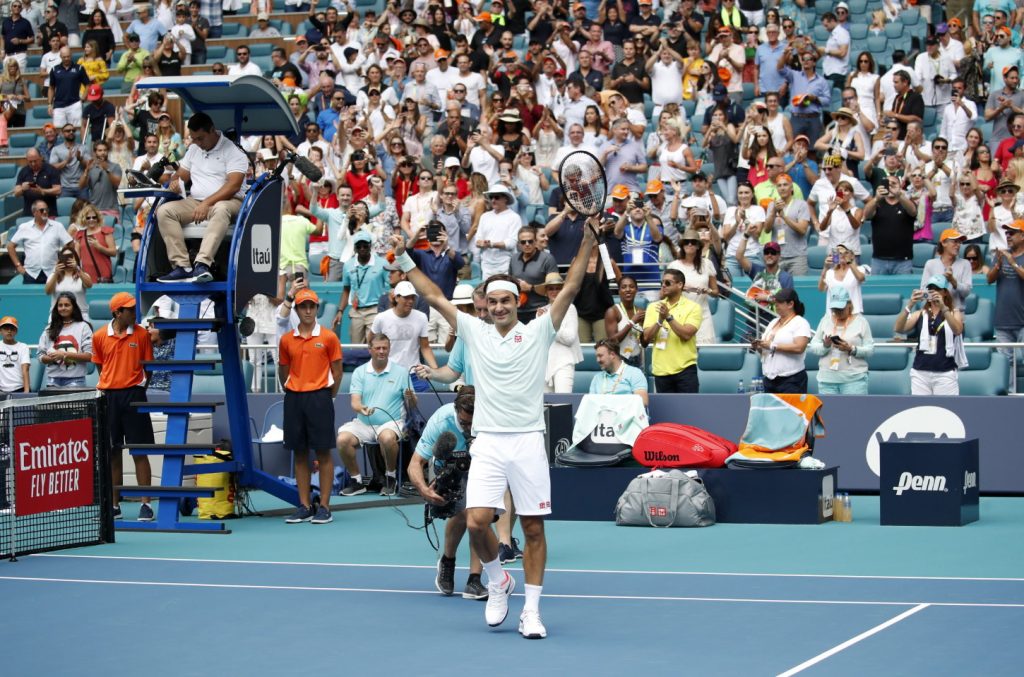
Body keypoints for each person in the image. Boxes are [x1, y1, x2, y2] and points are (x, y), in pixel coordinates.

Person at [397, 221, 599, 640]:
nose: (499, 307)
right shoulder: (474, 331)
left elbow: (572, 287)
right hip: (487, 441)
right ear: (484, 306)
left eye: (506, 300)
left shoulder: (540, 330)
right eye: (492, 302)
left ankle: (532, 611)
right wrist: (402, 256)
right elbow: (432, 294)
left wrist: (589, 241)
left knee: (533, 529)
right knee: (475, 522)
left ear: (518, 300)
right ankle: (498, 582)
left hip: (527, 441)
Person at [409, 385, 489, 601]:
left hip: (481, 464)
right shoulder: (440, 421)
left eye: (473, 424)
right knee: (461, 516)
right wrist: (424, 489)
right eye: (464, 423)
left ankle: (474, 579)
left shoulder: (490, 418)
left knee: (478, 517)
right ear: (456, 412)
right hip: (449, 466)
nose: (468, 428)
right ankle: (448, 560)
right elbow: (415, 463)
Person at [156, 112, 248, 283]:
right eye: (193, 138)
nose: (197, 143)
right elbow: (181, 175)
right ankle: (182, 266)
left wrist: (207, 203)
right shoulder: (193, 149)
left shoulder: (234, 152)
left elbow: (233, 186)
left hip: (230, 201)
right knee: (164, 211)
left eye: (201, 138)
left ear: (212, 130)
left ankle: (202, 264)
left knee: (221, 209)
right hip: (196, 201)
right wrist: (175, 182)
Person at [279, 288, 343, 525]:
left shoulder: (328, 337)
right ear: (296, 310)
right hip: (294, 398)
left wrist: (327, 396)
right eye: (303, 306)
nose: (307, 310)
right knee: (300, 453)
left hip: (320, 398)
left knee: (324, 452)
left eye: (311, 306)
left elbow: (337, 372)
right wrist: (295, 387)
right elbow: (283, 371)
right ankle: (305, 505)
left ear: (316, 309)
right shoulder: (286, 340)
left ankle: (324, 506)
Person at [91, 292, 155, 522]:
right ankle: (114, 505)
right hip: (109, 398)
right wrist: (113, 386)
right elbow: (101, 367)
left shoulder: (142, 334)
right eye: (129, 309)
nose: (134, 312)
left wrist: (133, 387)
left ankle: (146, 505)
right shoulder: (99, 337)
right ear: (117, 313)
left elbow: (148, 369)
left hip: (135, 396)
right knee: (112, 453)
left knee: (140, 451)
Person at [337, 334, 414, 498]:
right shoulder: (360, 372)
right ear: (370, 350)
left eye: (385, 348)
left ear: (389, 349)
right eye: (378, 348)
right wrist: (362, 408)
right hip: (364, 423)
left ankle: (390, 478)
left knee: (386, 438)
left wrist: (411, 398)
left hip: (392, 423)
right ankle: (357, 481)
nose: (381, 351)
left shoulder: (401, 372)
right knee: (342, 440)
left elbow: (413, 406)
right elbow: (355, 402)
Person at [895, 276, 966, 396]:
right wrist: (910, 305)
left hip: (945, 372)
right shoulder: (920, 314)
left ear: (944, 292)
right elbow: (898, 328)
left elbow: (958, 330)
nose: (933, 292)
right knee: (921, 411)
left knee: (946, 410)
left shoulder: (954, 312)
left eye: (937, 289)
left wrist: (944, 308)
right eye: (930, 289)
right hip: (921, 372)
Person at [368, 280, 437, 393]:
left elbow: (425, 347)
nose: (410, 301)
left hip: (415, 373)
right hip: (388, 373)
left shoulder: (421, 317)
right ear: (396, 298)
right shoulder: (381, 318)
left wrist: (435, 370)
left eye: (412, 298)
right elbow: (371, 340)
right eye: (406, 297)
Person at [642, 268, 703, 393]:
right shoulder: (653, 307)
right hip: (661, 371)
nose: (663, 285)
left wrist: (668, 318)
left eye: (668, 283)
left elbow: (686, 335)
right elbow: (646, 338)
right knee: (666, 413)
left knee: (689, 411)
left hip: (685, 370)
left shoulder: (693, 307)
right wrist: (659, 321)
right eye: (662, 283)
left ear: (680, 285)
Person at [808, 287, 874, 395]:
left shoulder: (861, 322)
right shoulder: (825, 320)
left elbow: (870, 349)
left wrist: (851, 349)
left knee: (854, 412)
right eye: (835, 309)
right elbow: (814, 345)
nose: (838, 312)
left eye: (841, 309)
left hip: (854, 380)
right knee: (829, 412)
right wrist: (825, 346)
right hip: (827, 380)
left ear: (849, 305)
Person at [752, 288, 813, 394]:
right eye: (775, 301)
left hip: (791, 380)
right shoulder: (773, 322)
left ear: (790, 304)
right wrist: (759, 347)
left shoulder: (801, 323)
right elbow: (767, 350)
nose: (776, 304)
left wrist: (772, 345)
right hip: (769, 379)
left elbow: (799, 347)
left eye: (780, 302)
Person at [336, 231, 390, 344]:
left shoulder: (382, 263)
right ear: (354, 248)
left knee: (374, 344)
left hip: (375, 309)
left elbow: (391, 286)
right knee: (356, 346)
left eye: (365, 245)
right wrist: (340, 311)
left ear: (370, 246)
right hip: (356, 311)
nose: (362, 248)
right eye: (359, 246)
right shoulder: (348, 265)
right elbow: (346, 290)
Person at [534, 272, 581, 393]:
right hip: (544, 364)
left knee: (563, 403)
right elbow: (538, 340)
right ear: (546, 292)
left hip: (564, 362)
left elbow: (569, 338)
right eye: (551, 288)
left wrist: (548, 322)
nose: (554, 291)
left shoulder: (570, 308)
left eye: (558, 288)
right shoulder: (541, 312)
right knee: (544, 407)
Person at [7, 199, 72, 284]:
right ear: (34, 213)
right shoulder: (25, 227)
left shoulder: (57, 226)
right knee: (30, 297)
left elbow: (70, 243)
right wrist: (18, 266)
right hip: (30, 274)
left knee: (53, 297)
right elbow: (10, 246)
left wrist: (62, 260)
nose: (45, 212)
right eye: (42, 210)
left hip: (53, 272)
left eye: (46, 209)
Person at [37, 291, 93, 389]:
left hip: (76, 379)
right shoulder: (49, 328)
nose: (63, 308)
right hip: (52, 380)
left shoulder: (84, 327)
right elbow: (40, 356)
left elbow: (90, 356)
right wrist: (53, 358)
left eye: (67, 305)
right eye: (60, 305)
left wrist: (63, 355)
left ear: (74, 307)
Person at [987, 220, 1024, 365]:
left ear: (1022, 236)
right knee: (1004, 363)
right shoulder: (1000, 255)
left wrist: (1013, 262)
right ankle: (1008, 389)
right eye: (1007, 233)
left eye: (1012, 233)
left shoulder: (1013, 257)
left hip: (1022, 321)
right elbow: (989, 279)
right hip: (1003, 320)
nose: (1008, 236)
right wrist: (997, 266)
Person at [920, 229, 973, 310]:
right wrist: (938, 294)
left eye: (959, 242)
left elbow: (966, 293)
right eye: (955, 241)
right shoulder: (930, 264)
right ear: (944, 243)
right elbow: (923, 294)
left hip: (956, 313)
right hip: (935, 313)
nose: (958, 245)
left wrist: (953, 281)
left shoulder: (965, 264)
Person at [603, 274, 646, 369]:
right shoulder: (613, 311)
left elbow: (644, 343)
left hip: (637, 358)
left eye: (631, 286)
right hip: (619, 359)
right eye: (623, 287)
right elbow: (612, 340)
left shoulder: (640, 312)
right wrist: (631, 323)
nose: (628, 290)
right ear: (619, 291)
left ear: (636, 290)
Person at [589, 339, 648, 406]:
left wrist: (614, 404)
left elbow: (643, 401)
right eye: (596, 356)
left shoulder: (634, 373)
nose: (597, 360)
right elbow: (591, 404)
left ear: (612, 355)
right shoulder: (597, 378)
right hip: (602, 415)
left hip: (627, 415)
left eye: (600, 356)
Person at [818, 244, 866, 315]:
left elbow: (861, 278)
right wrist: (825, 268)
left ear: (852, 255)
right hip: (832, 315)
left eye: (846, 253)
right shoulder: (829, 272)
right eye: (839, 253)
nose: (842, 255)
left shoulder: (859, 269)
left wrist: (849, 262)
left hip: (853, 314)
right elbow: (821, 288)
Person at [0, 316, 29, 395]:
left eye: (12, 328)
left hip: (19, 389)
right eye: (6, 328)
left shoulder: (23, 347)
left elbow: (25, 369)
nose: (9, 331)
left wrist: (26, 392)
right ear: (0, 331)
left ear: (16, 331)